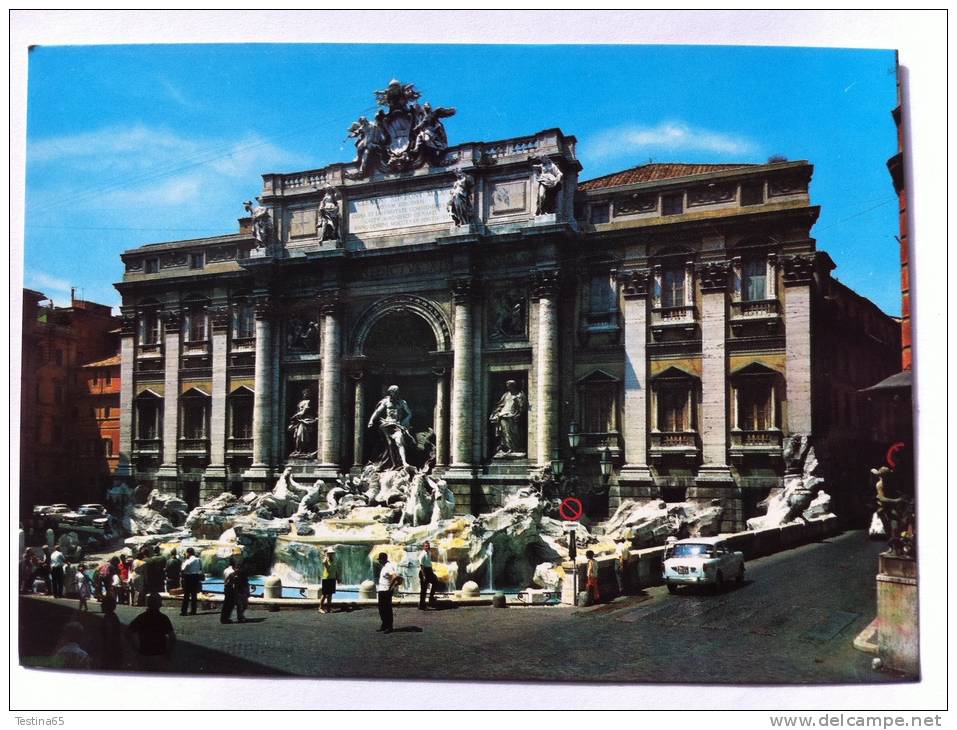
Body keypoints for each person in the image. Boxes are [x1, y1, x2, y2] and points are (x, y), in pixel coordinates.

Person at [367, 384, 414, 470]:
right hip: (386, 425)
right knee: (390, 444)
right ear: (390, 392)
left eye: (396, 392)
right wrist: (371, 420)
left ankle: (404, 462)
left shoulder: (402, 402)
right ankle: (392, 463)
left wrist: (406, 420)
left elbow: (409, 413)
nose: (395, 394)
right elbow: (377, 412)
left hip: (397, 425)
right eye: (393, 392)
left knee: (399, 441)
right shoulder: (386, 402)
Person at [128, 593, 175, 671]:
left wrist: (135, 648)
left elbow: (128, 633)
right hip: (160, 652)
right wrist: (169, 652)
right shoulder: (163, 618)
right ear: (160, 604)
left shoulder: (141, 617)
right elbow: (172, 637)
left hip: (144, 652)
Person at [488, 380, 527, 456]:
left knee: (514, 433)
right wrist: (497, 412)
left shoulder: (519, 394)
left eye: (509, 385)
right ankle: (507, 448)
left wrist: (517, 402)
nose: (508, 387)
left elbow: (522, 407)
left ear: (513, 385)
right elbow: (500, 404)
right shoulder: (506, 395)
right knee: (504, 433)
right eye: (507, 386)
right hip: (503, 415)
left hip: (513, 416)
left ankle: (515, 449)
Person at [376, 552, 402, 634]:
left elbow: (395, 576)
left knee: (387, 609)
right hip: (382, 590)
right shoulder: (384, 567)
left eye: (380, 560)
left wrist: (391, 587)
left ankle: (389, 626)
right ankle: (384, 625)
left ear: (383, 559)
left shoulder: (389, 567)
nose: (379, 561)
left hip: (386, 590)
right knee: (381, 609)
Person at [99, 595, 124, 671]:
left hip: (111, 651)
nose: (101, 605)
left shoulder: (109, 618)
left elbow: (109, 636)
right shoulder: (112, 617)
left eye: (103, 604)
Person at [180, 547, 203, 616]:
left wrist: (184, 560)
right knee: (194, 595)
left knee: (186, 595)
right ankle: (193, 610)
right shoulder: (198, 560)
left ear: (188, 553)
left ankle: (184, 611)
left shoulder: (187, 561)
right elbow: (200, 568)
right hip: (196, 577)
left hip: (188, 578)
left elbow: (182, 569)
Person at [418, 541, 438, 610]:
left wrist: (432, 572)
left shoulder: (429, 553)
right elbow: (421, 566)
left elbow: (429, 563)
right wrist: (423, 576)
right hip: (424, 572)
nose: (428, 547)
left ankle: (431, 598)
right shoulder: (422, 555)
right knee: (424, 589)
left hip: (429, 571)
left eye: (428, 546)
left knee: (435, 582)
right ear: (423, 547)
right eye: (426, 546)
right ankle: (422, 605)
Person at [318, 548, 339, 614]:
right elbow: (324, 564)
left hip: (332, 579)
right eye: (329, 553)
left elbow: (336, 570)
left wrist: (337, 578)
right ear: (327, 554)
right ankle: (320, 608)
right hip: (326, 579)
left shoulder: (334, 561)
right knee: (324, 594)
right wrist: (325, 556)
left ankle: (328, 608)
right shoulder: (326, 561)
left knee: (330, 595)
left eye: (332, 553)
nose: (331, 554)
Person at [220, 557, 237, 624]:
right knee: (230, 604)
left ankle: (223, 618)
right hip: (230, 588)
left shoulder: (226, 570)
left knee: (226, 604)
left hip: (226, 587)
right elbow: (233, 581)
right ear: (234, 564)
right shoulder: (232, 572)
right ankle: (226, 618)